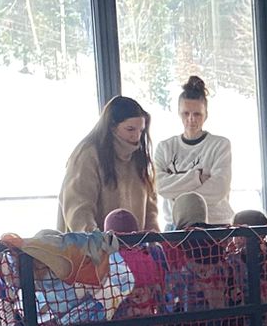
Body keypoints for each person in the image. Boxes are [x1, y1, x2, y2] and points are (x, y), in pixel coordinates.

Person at [61, 95, 157, 233]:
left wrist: (153, 237)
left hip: (135, 244)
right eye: (130, 129)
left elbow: (150, 208)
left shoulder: (139, 157)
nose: (136, 136)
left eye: (141, 130)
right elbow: (78, 207)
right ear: (112, 126)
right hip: (94, 243)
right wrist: (96, 239)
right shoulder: (87, 155)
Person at [154, 76, 233, 228]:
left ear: (206, 115)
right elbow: (159, 186)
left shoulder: (220, 145)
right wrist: (197, 178)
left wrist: (175, 191)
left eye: (197, 114)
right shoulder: (164, 147)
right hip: (175, 225)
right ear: (178, 113)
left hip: (214, 223)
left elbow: (218, 189)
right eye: (186, 113)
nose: (191, 119)